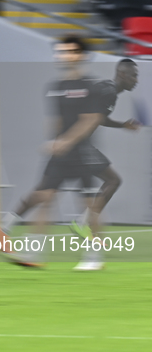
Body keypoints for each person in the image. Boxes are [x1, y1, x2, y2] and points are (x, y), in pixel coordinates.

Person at [0, 35, 121, 270]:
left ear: (82, 56)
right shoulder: (55, 87)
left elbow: (90, 121)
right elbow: (55, 120)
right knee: (45, 198)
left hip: (83, 153)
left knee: (88, 205)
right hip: (61, 154)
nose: (65, 56)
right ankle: (34, 252)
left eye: (72, 51)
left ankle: (94, 257)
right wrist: (53, 142)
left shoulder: (93, 86)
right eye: (62, 51)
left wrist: (65, 141)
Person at [68, 58, 139, 270]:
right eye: (134, 75)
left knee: (107, 184)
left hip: (77, 142)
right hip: (79, 144)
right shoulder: (109, 91)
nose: (136, 80)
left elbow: (98, 117)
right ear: (123, 74)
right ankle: (86, 232)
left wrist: (123, 125)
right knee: (112, 181)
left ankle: (91, 250)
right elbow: (94, 118)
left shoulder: (108, 90)